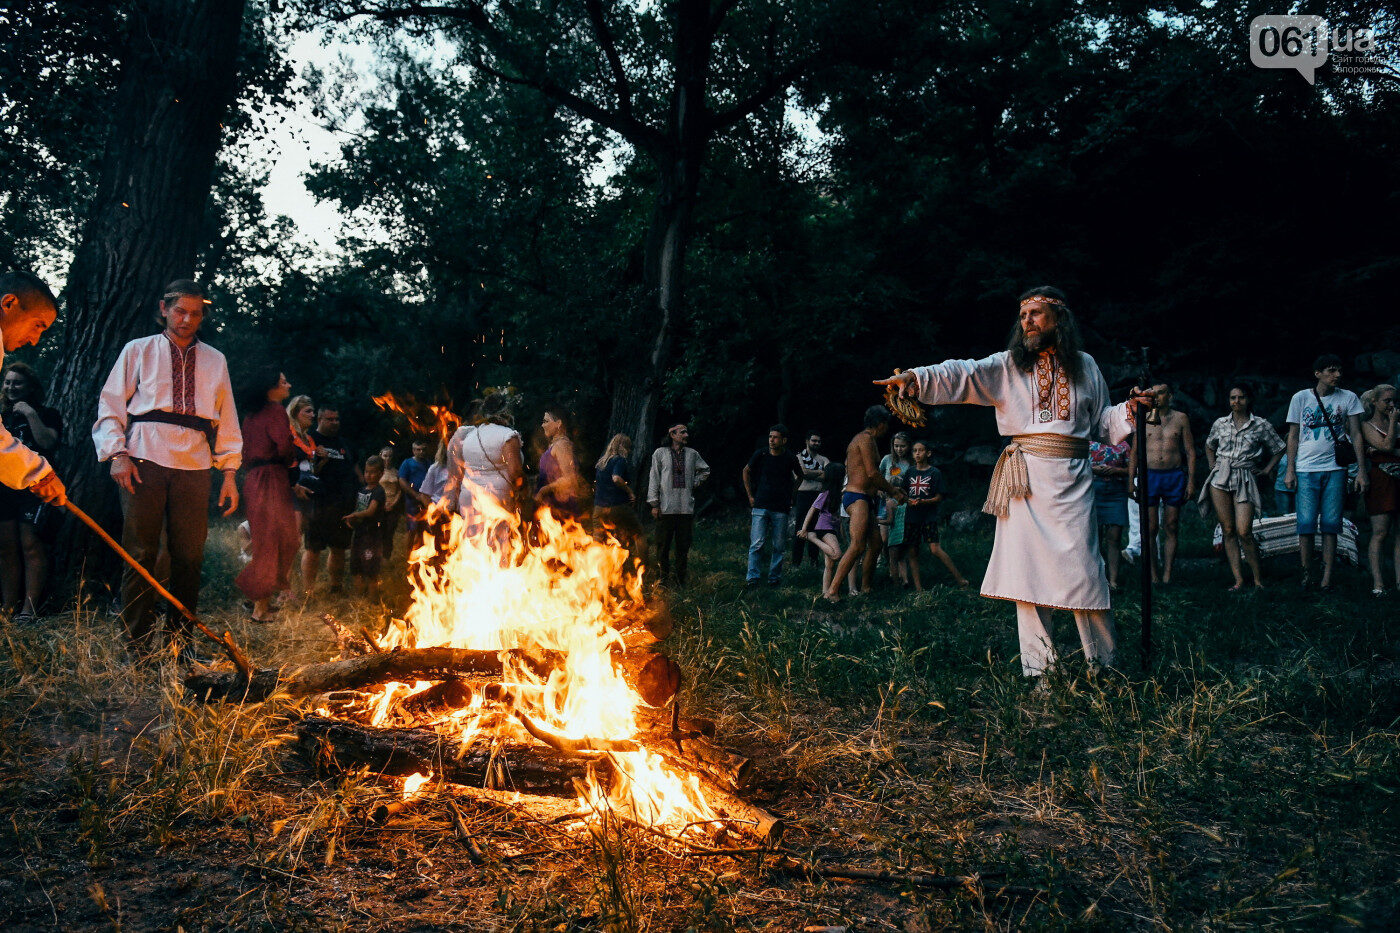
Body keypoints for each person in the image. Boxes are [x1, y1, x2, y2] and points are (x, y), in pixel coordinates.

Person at [877, 286, 1152, 678]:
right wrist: (916, 378)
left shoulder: (1086, 365)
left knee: (1086, 573)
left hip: (1073, 478)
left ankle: (1103, 666)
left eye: (1036, 313)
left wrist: (1131, 409)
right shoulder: (1008, 366)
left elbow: (1102, 424)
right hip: (1024, 480)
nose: (1027, 321)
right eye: (1023, 316)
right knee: (1030, 577)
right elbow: (963, 373)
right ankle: (1042, 671)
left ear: (1060, 319)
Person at [93, 279, 240, 657]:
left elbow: (227, 419)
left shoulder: (215, 359)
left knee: (189, 555)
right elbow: (110, 404)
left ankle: (180, 643)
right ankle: (136, 644)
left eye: (195, 312)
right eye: (180, 310)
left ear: (202, 315)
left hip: (195, 463)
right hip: (144, 457)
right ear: (164, 308)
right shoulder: (138, 350)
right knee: (140, 550)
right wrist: (117, 454)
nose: (187, 319)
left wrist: (228, 474)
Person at [1284, 355, 1367, 592]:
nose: (1337, 375)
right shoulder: (1301, 398)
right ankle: (1306, 574)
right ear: (1317, 373)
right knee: (1306, 523)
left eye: (1339, 371)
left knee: (1331, 523)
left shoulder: (1348, 397)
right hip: (1306, 467)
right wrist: (1290, 469)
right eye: (1331, 371)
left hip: (1336, 468)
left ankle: (1327, 578)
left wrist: (1361, 470)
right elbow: (1293, 434)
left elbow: (1357, 434)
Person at [1200, 383, 1286, 591]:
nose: (1236, 402)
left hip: (1245, 476)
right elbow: (1209, 444)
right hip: (1221, 477)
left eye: (1241, 398)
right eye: (1233, 398)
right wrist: (1213, 465)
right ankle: (1238, 579)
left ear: (1248, 400)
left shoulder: (1260, 425)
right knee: (1228, 529)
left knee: (1244, 530)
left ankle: (1258, 579)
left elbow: (1279, 448)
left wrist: (1266, 470)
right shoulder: (1221, 423)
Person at [822, 406, 905, 602]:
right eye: (886, 425)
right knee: (858, 545)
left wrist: (890, 490)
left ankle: (866, 588)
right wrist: (892, 490)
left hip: (866, 498)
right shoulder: (864, 439)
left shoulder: (870, 440)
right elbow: (872, 473)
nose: (887, 430)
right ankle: (832, 591)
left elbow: (871, 476)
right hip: (856, 497)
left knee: (876, 544)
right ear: (881, 424)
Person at [0, 361, 63, 622]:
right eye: (7, 382)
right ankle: (8, 607)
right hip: (4, 489)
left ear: (30, 387)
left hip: (35, 488)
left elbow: (48, 442)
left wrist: (30, 414)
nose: (11, 387)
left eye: (17, 382)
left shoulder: (47, 413)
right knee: (6, 547)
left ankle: (29, 610)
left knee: (30, 545)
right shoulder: (1, 416)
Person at [234, 368, 297, 623]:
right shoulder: (275, 411)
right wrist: (291, 458)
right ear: (270, 387)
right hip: (270, 478)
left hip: (258, 478)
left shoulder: (251, 415)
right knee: (276, 542)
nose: (289, 385)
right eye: (283, 382)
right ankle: (259, 607)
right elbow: (284, 446)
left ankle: (259, 596)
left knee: (278, 541)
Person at [1129, 383, 1195, 585]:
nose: (1156, 397)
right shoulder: (1144, 418)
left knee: (1171, 525)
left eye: (1161, 393)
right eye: (1153, 394)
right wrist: (1131, 480)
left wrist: (1191, 481)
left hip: (1173, 475)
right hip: (1149, 476)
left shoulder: (1181, 418)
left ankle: (1167, 573)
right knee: (1150, 528)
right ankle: (1153, 574)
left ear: (1170, 396)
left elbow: (1190, 451)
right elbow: (1134, 453)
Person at [300, 406, 358, 597]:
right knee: (313, 549)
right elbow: (304, 473)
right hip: (317, 503)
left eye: (337, 419)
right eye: (330, 419)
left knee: (339, 548)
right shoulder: (309, 441)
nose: (335, 423)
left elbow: (354, 469)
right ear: (320, 420)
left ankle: (336, 587)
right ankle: (308, 591)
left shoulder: (345, 443)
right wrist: (318, 458)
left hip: (342, 504)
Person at [442, 390, 524, 522]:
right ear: (506, 412)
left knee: (472, 540)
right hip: (497, 497)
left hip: (469, 496)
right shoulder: (508, 435)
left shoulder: (470, 435)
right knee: (497, 541)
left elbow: (457, 470)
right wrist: (523, 490)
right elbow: (515, 471)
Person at [900, 438, 968, 589]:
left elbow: (939, 497)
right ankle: (919, 589)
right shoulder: (910, 472)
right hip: (912, 517)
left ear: (928, 453)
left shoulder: (934, 472)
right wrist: (906, 499)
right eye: (915, 451)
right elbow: (903, 491)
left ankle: (960, 579)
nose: (917, 453)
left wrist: (924, 502)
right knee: (912, 551)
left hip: (928, 516)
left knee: (935, 549)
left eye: (921, 450)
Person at [647, 423, 710, 587]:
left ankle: (681, 580)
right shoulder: (660, 453)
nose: (686, 435)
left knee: (683, 547)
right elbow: (654, 478)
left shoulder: (692, 454)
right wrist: (654, 504)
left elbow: (705, 470)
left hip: (685, 509)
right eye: (682, 432)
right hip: (666, 508)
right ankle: (663, 579)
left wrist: (693, 483)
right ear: (672, 435)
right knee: (662, 546)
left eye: (686, 432)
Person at [742, 424, 804, 587]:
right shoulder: (761, 454)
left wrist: (792, 496)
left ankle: (774, 578)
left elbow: (800, 477)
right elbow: (746, 470)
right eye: (770, 437)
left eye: (775, 437)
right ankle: (752, 579)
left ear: (783, 440)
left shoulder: (789, 457)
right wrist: (750, 495)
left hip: (780, 507)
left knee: (779, 546)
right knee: (757, 543)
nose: (772, 440)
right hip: (761, 504)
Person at [1360, 384, 1398, 596]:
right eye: (1387, 401)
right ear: (1374, 402)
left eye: (1394, 401)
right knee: (1380, 532)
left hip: (1398, 478)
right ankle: (1378, 584)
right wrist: (1392, 425)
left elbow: (1386, 447)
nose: (1392, 405)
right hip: (1381, 481)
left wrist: (1384, 447)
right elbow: (1387, 446)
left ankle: (1399, 582)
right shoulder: (1366, 425)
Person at [594, 433, 647, 568]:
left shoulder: (602, 462)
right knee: (638, 533)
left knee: (598, 541)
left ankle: (596, 573)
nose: (629, 451)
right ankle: (645, 570)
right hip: (616, 506)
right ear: (623, 447)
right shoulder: (620, 460)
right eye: (628, 448)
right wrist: (629, 492)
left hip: (599, 508)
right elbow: (616, 478)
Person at [796, 463, 846, 598]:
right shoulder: (825, 493)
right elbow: (812, 510)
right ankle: (813, 538)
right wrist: (805, 529)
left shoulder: (839, 493)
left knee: (829, 564)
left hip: (832, 528)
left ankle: (825, 594)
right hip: (824, 528)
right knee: (836, 555)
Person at [345, 455, 386, 603]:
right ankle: (359, 601)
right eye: (366, 471)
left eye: (373, 472)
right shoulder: (362, 489)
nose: (368, 475)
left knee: (371, 571)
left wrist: (354, 515)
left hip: (372, 536)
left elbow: (370, 511)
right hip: (359, 534)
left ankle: (373, 602)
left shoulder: (379, 491)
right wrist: (354, 520)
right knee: (356, 567)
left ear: (381, 474)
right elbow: (359, 507)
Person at [1089, 439, 1131, 590]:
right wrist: (1094, 470)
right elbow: (1076, 466)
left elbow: (1132, 469)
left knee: (1114, 537)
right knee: (1095, 538)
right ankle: (1097, 580)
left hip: (1116, 492)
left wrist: (1116, 471)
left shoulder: (1123, 445)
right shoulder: (1088, 443)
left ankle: (1113, 581)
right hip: (1094, 491)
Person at [536, 408, 584, 523]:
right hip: (551, 507)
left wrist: (543, 490)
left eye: (546, 421)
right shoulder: (556, 444)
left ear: (559, 423)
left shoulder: (562, 445)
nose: (542, 425)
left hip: (562, 507)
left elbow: (569, 479)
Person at [878, 431, 914, 585]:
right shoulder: (887, 459)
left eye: (902, 446)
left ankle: (900, 572)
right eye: (896, 446)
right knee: (885, 538)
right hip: (885, 502)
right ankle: (886, 563)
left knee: (899, 540)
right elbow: (878, 476)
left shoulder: (911, 463)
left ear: (908, 446)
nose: (899, 449)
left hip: (902, 504)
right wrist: (879, 489)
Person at [791, 432, 828, 568]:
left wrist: (810, 473)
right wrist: (819, 472)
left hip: (818, 496)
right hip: (803, 496)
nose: (816, 443)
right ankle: (796, 564)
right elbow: (802, 473)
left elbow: (828, 475)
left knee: (815, 530)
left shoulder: (823, 459)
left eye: (818, 441)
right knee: (800, 529)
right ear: (807, 441)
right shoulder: (799, 457)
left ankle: (814, 562)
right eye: (813, 440)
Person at [286, 395, 318, 541]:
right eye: (308, 411)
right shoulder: (287, 434)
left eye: (313, 411)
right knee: (292, 539)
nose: (313, 415)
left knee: (298, 538)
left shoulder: (309, 438)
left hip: (308, 490)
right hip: (291, 490)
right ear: (295, 413)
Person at [398, 437, 434, 549]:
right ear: (413, 450)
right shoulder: (407, 463)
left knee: (424, 528)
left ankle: (421, 555)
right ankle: (408, 556)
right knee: (412, 528)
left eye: (423, 449)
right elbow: (402, 481)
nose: (421, 452)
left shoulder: (429, 463)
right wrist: (416, 495)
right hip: (412, 501)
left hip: (427, 500)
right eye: (418, 449)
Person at [377, 444, 404, 561]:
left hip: (393, 505)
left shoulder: (396, 472)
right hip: (379, 505)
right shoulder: (376, 471)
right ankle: (375, 557)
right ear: (381, 456)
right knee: (378, 532)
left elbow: (399, 490)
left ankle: (386, 557)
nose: (387, 458)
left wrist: (393, 504)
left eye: (390, 456)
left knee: (389, 532)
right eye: (385, 456)